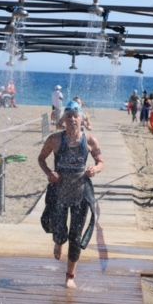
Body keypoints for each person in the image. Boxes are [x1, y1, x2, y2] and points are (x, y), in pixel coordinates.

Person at [38, 101, 104, 288]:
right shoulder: (55, 139)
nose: (73, 119)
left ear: (82, 119)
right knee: (60, 230)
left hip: (80, 192)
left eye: (76, 116)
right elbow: (41, 158)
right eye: (69, 116)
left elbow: (101, 161)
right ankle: (58, 241)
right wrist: (49, 173)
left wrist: (95, 169)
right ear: (63, 120)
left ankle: (70, 276)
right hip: (59, 192)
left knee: (75, 236)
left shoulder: (90, 140)